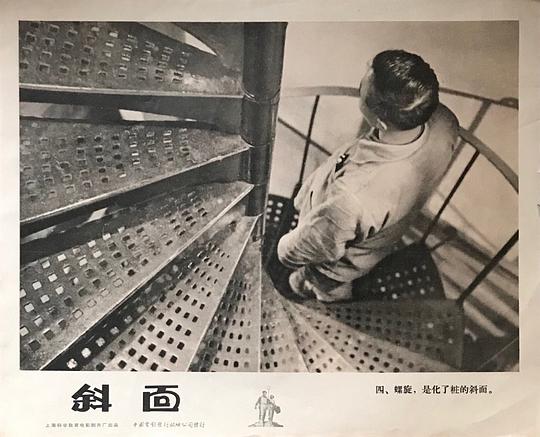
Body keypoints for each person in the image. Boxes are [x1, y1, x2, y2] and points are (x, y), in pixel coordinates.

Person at [277, 49, 459, 302]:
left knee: (323, 285)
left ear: (380, 123)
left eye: (362, 87)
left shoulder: (351, 198)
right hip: (378, 239)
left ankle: (327, 298)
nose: (360, 83)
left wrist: (285, 250)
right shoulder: (444, 123)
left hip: (336, 265)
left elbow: (301, 249)